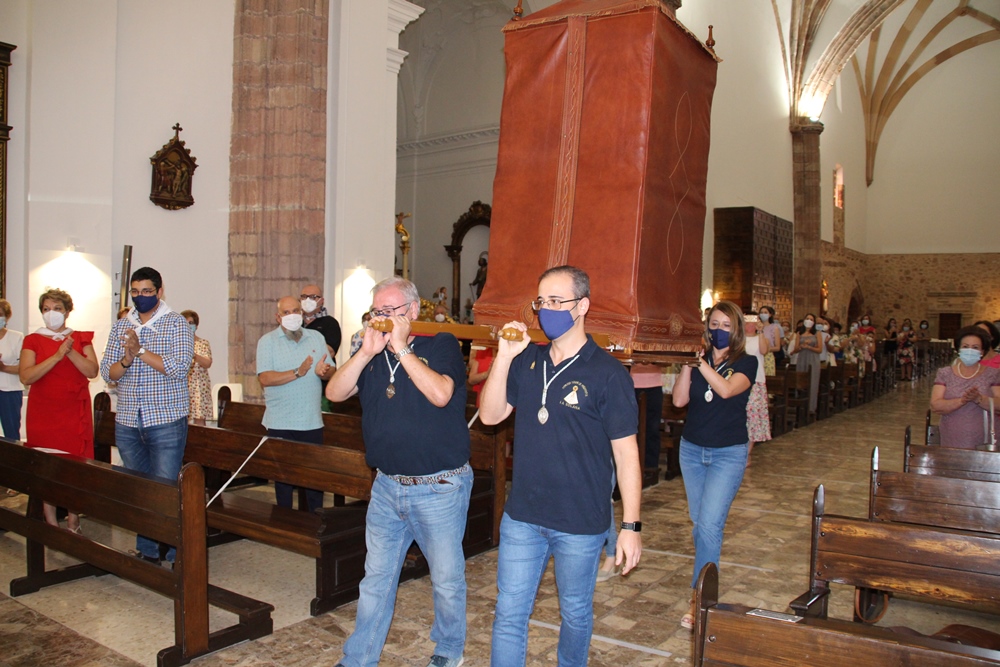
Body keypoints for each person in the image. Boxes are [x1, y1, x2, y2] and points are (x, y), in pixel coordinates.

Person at [479, 265, 642, 667]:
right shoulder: (527, 360)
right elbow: (490, 416)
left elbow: (626, 454)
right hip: (523, 516)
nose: (546, 310)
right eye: (541, 302)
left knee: (574, 614)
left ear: (582, 306)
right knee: (509, 614)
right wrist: (503, 358)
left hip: (580, 520)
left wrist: (631, 526)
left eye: (556, 301)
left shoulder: (607, 373)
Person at [326, 276, 472, 667]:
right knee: (375, 579)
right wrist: (363, 354)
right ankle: (359, 659)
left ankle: (448, 649)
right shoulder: (369, 352)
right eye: (378, 312)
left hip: (439, 485)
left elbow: (441, 394)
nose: (383, 319)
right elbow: (334, 393)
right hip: (387, 486)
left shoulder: (440, 344)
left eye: (391, 311)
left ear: (412, 310)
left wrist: (402, 348)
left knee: (445, 579)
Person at [671, 300, 757, 630]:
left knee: (708, 526)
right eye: (713, 324)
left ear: (736, 331)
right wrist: (687, 365)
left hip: (727, 454)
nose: (718, 330)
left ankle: (700, 599)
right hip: (692, 451)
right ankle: (706, 582)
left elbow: (724, 390)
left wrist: (699, 363)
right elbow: (679, 401)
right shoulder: (699, 361)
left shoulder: (746, 364)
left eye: (725, 326)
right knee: (700, 524)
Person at [100, 266, 194, 564]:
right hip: (128, 419)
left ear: (159, 291)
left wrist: (139, 352)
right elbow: (108, 373)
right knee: (141, 490)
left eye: (147, 292)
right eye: (136, 292)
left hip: (165, 419)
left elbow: (179, 368)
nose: (141, 297)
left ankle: (179, 550)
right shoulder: (120, 327)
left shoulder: (176, 324)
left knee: (165, 489)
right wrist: (126, 359)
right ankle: (149, 551)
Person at [20, 289, 99, 531]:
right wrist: (55, 357)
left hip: (74, 411)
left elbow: (92, 371)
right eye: (46, 309)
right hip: (44, 413)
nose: (51, 313)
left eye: (56, 308)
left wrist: (69, 350)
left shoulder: (80, 337)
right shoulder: (32, 340)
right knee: (48, 467)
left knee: (74, 466)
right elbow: (26, 376)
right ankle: (51, 523)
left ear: (66, 311)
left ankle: (74, 519)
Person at [257, 296, 335, 513]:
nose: (292, 316)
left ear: (302, 314)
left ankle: (315, 522)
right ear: (278, 317)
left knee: (313, 478)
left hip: (311, 420)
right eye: (286, 312)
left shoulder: (316, 337)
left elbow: (332, 371)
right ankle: (286, 522)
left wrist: (325, 372)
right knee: (283, 479)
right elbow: (265, 378)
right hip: (281, 421)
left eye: (296, 311)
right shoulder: (267, 341)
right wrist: (297, 372)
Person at [930, 326, 1000, 449]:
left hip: (984, 436)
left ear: (982, 351)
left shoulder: (993, 374)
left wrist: (979, 399)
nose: (970, 351)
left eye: (975, 347)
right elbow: (936, 405)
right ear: (958, 349)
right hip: (952, 434)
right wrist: (962, 400)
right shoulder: (945, 373)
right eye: (965, 346)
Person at [743, 317, 770, 465]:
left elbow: (764, 351)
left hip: (757, 381)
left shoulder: (760, 338)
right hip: (739, 379)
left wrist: (761, 332)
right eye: (747, 322)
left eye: (753, 322)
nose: (750, 325)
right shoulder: (738, 339)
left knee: (753, 416)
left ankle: (748, 453)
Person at [181, 310, 213, 425]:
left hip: (199, 386)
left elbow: (208, 363)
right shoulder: (177, 343)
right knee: (182, 419)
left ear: (196, 325)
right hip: (182, 385)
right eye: (185, 323)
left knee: (199, 418)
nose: (188, 326)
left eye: (191, 323)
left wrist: (194, 355)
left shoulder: (203, 343)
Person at [0, 299, 24, 441]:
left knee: (11, 434)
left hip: (10, 391)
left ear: (7, 316)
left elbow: (24, 368)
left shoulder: (17, 337)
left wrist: (4, 368)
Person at [789, 313, 822, 415]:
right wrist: (801, 346)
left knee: (812, 381)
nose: (809, 320)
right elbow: (796, 349)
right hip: (802, 358)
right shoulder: (799, 333)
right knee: (801, 381)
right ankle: (801, 405)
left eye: (811, 319)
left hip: (813, 359)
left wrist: (809, 347)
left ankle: (811, 407)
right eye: (807, 318)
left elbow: (819, 349)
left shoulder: (817, 333)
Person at [300, 283, 342, 357]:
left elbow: (329, 352)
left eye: (313, 297)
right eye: (304, 297)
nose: (307, 300)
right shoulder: (295, 322)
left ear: (321, 300)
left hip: (322, 367)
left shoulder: (330, 323)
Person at [758, 306, 783, 373]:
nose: (763, 314)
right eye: (761, 312)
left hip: (768, 356)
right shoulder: (756, 327)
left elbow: (777, 347)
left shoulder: (774, 328)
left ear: (770, 314)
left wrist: (767, 348)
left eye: (765, 312)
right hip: (756, 354)